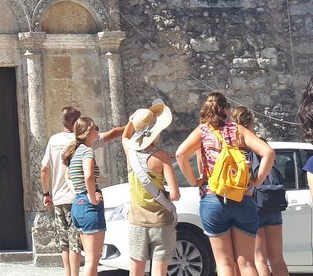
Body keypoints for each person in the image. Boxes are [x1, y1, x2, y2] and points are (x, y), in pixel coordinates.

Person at [176, 92, 276, 276]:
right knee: (247, 263)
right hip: (241, 196)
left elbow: (180, 154)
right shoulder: (238, 130)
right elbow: (268, 152)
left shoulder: (202, 131)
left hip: (213, 198)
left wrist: (194, 181)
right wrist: (255, 182)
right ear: (226, 110)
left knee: (224, 264)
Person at [41, 107, 124, 276]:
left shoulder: (55, 141)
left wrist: (46, 193)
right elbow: (113, 134)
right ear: (76, 124)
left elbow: (45, 169)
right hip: (81, 200)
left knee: (65, 243)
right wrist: (131, 126)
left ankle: (68, 273)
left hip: (62, 198)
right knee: (79, 248)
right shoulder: (84, 146)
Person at [122, 104, 180, 276]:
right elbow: (175, 195)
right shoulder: (162, 157)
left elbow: (125, 135)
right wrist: (166, 196)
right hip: (161, 221)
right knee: (159, 271)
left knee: (136, 271)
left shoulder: (129, 152)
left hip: (137, 221)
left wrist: (133, 120)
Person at [230, 106, 288, 276]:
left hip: (253, 203)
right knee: (277, 258)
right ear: (252, 123)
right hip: (272, 199)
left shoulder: (237, 148)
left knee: (259, 259)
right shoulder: (261, 142)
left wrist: (254, 183)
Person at [61, 117, 105, 276]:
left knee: (89, 259)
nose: (98, 131)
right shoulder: (87, 151)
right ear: (88, 132)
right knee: (92, 262)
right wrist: (92, 198)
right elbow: (88, 176)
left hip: (78, 204)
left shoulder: (74, 152)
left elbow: (67, 177)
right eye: (96, 128)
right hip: (89, 206)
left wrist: (77, 192)